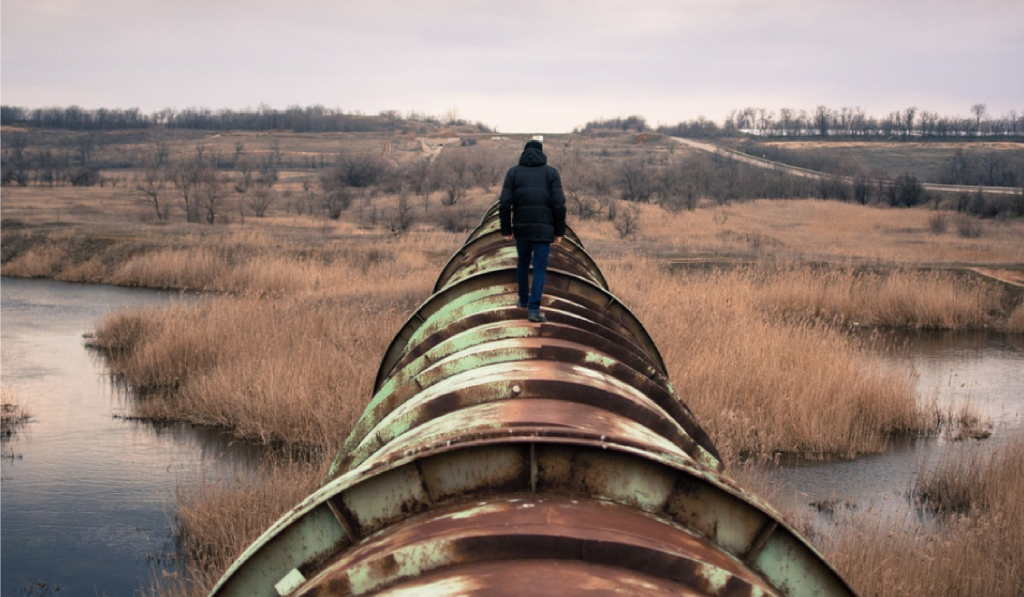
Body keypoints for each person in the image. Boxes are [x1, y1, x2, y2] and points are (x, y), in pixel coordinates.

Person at [499, 139, 567, 323]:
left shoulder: (513, 173)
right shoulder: (551, 173)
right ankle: (534, 310)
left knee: (522, 263)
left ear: (524, 152)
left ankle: (522, 299)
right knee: (539, 268)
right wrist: (559, 231)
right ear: (542, 153)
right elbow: (559, 204)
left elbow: (504, 203)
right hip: (544, 229)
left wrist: (506, 230)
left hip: (521, 227)